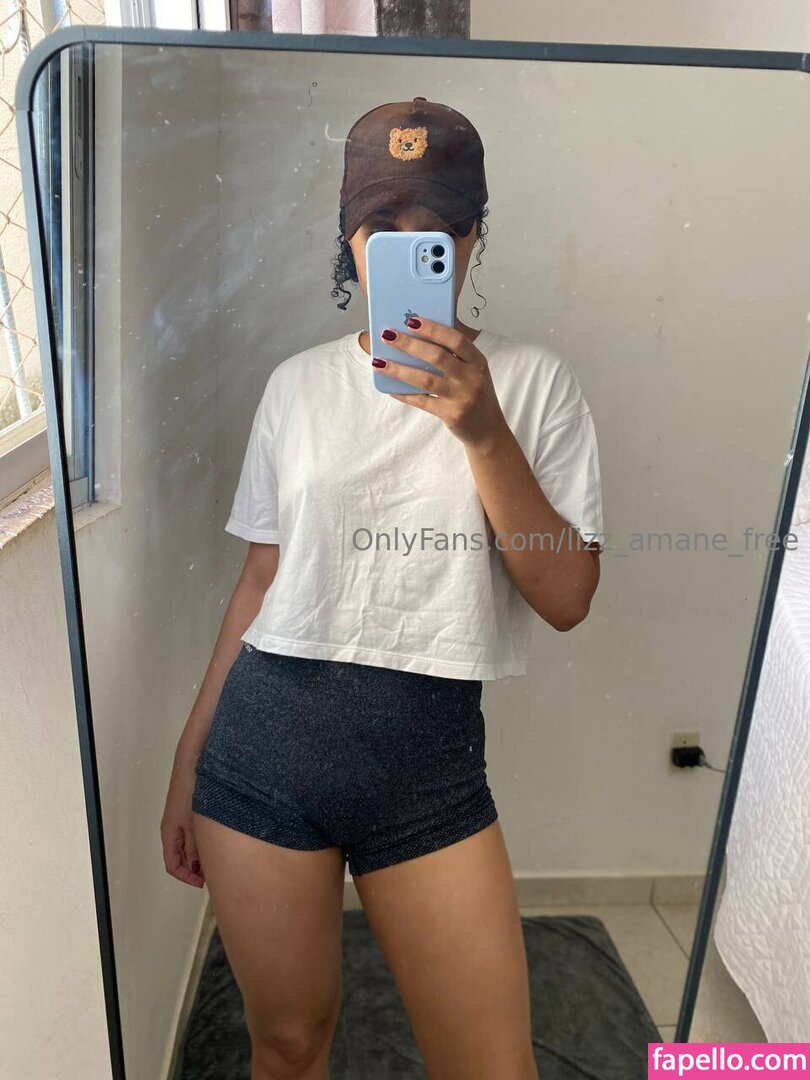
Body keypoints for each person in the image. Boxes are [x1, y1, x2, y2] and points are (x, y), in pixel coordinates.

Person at [161, 96, 603, 1080]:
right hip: (262, 750)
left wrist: (483, 430)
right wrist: (189, 763)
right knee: (286, 1047)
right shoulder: (296, 386)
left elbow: (568, 596)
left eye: (436, 228)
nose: (408, 246)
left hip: (427, 764)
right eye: (381, 226)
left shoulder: (534, 384)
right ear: (349, 239)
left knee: (492, 1067)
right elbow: (260, 581)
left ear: (473, 235)